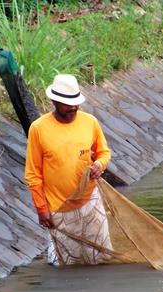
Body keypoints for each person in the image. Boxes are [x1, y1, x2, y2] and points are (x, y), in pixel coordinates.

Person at [24, 73, 112, 266]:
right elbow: (33, 174)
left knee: (101, 258)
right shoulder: (38, 129)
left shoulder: (90, 122)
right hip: (59, 207)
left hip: (91, 202)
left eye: (75, 103)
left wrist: (99, 164)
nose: (73, 107)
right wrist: (41, 208)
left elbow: (103, 152)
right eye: (67, 103)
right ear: (54, 101)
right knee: (67, 264)